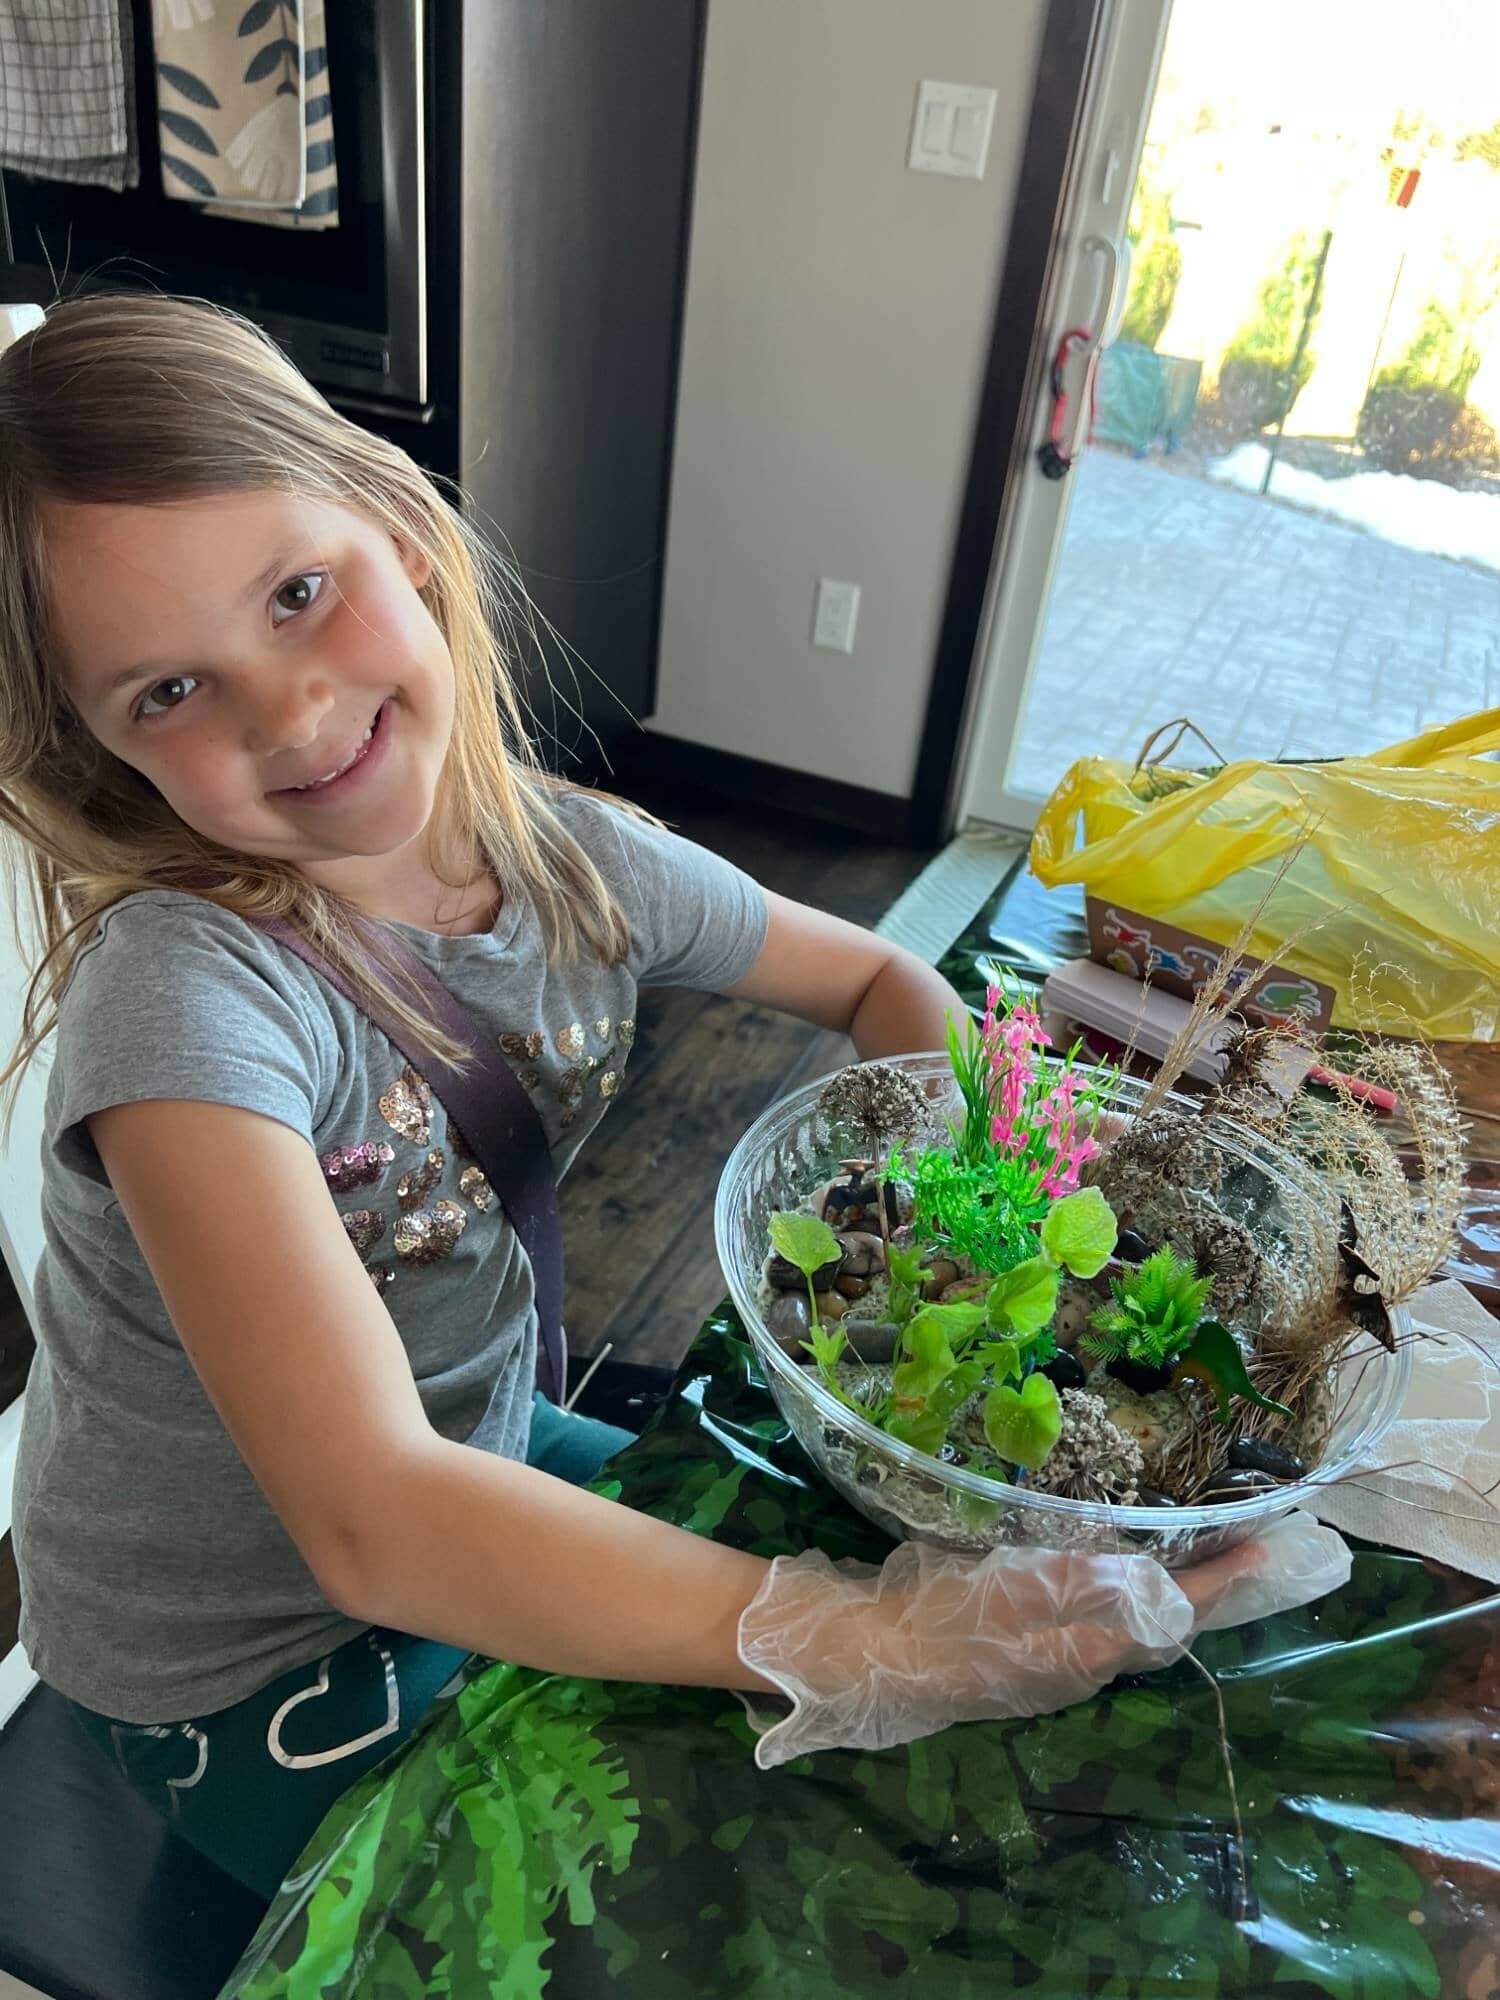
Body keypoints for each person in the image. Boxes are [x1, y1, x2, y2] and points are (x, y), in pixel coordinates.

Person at [0, 296, 1348, 1903]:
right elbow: (372, 1522)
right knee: (731, 1883)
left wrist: (997, 1197)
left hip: (478, 1446)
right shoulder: (187, 992)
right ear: (94, 750)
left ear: (396, 524)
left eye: (299, 594)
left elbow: (877, 986)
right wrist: (850, 1637)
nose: (285, 715)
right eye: (167, 694)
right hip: (245, 1651)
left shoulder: (570, 859)